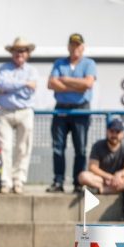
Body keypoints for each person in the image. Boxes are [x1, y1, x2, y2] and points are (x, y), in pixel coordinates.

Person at [46, 33, 98, 193]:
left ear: (82, 47)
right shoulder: (59, 63)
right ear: (68, 46)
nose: (75, 48)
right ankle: (58, 181)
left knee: (80, 148)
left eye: (78, 45)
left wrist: (65, 80)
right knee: (57, 147)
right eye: (72, 45)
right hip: (61, 108)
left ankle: (78, 182)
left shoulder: (89, 63)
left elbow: (88, 84)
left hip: (81, 108)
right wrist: (77, 86)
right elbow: (51, 83)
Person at [0, 37, 39, 195]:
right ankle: (5, 181)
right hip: (5, 111)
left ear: (27, 53)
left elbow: (30, 91)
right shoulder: (3, 68)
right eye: (16, 50)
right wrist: (24, 84)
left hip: (25, 111)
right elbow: (2, 85)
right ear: (12, 52)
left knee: (23, 148)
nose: (19, 53)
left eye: (23, 50)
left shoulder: (32, 71)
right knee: (5, 148)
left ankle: (18, 180)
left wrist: (11, 87)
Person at [78, 119, 124, 194]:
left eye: (117, 132)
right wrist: (109, 177)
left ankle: (102, 190)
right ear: (107, 132)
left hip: (119, 180)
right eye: (111, 131)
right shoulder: (98, 145)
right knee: (83, 176)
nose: (114, 135)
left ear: (122, 134)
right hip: (101, 179)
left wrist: (119, 174)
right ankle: (114, 190)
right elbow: (92, 167)